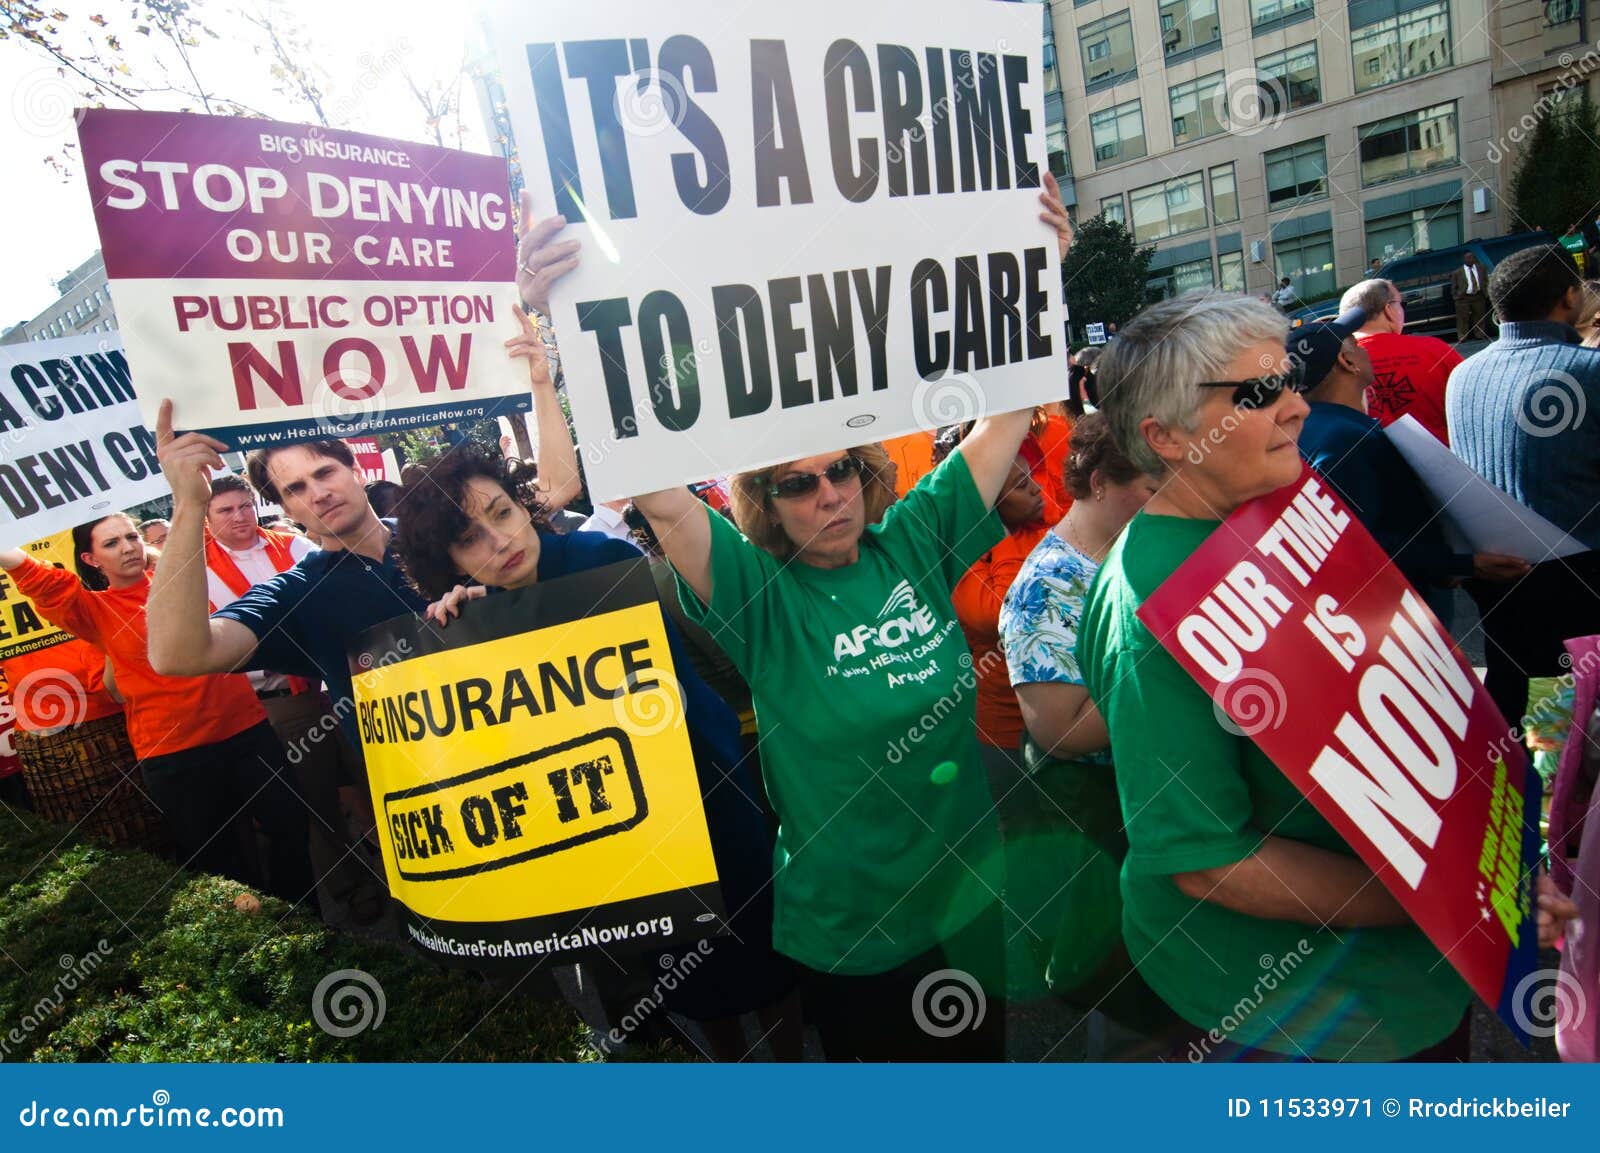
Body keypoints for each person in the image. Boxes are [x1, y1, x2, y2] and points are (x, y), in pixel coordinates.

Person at [622, 172, 1074, 1061]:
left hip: (966, 893)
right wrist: (566, 326)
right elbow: (665, 503)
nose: (827, 495)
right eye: (798, 483)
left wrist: (1042, 272)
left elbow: (1004, 415)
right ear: (766, 502)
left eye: (840, 472)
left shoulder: (912, 540)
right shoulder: (760, 597)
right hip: (854, 929)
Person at [1080, 291, 1477, 1061]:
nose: (1296, 405)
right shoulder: (1151, 609)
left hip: (1414, 978)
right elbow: (1204, 860)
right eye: (1258, 393)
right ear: (1165, 436)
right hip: (1293, 1019)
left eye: (1287, 378)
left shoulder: (1288, 498)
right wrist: (1428, 897)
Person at [395, 446, 801, 1061]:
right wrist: (459, 640)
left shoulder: (600, 559)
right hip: (623, 833)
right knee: (688, 976)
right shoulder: (471, 622)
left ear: (522, 503)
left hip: (706, 791)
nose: (499, 541)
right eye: (469, 540)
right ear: (445, 561)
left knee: (764, 958)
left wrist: (506, 621)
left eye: (503, 513)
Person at [147, 303, 581, 755]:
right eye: (295, 488)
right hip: (429, 798)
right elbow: (178, 654)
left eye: (324, 473)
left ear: (355, 470)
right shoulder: (294, 596)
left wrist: (539, 384)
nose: (317, 493)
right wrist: (189, 504)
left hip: (539, 743)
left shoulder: (441, 530)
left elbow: (558, 486)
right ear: (285, 509)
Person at [0, 516, 310, 901]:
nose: (128, 547)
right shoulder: (94, 610)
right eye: (111, 544)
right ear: (90, 559)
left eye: (131, 537)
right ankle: (256, 940)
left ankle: (302, 923)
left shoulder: (185, 580)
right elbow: (39, 578)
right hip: (175, 755)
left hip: (247, 731)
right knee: (221, 865)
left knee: (293, 828)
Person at [996, 413, 1162, 1036]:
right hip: (1104, 818)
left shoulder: (1137, 546)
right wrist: (1174, 672)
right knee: (1127, 1004)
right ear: (1098, 482)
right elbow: (1060, 732)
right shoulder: (1046, 589)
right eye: (1150, 486)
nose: (1163, 499)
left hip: (1146, 804)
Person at [203, 473, 382, 927]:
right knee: (318, 800)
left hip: (338, 684)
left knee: (373, 779)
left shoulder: (293, 545)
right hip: (284, 703)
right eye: (225, 511)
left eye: (244, 505)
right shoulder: (198, 571)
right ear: (206, 519)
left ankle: (401, 871)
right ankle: (351, 889)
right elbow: (223, 646)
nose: (240, 517)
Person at [1445, 243, 1600, 732]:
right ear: (1570, 296)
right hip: (1579, 578)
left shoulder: (1462, 374)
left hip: (1498, 578)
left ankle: (1515, 796)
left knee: (1516, 698)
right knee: (1575, 716)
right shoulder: (1588, 370)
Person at [1289, 307, 1530, 602]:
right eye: (1354, 342)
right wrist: (1461, 564)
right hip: (1398, 602)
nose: (1364, 350)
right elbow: (1360, 540)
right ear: (1347, 360)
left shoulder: (1306, 430)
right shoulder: (1348, 438)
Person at [1339, 277, 1462, 443]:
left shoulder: (1336, 366)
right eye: (1401, 305)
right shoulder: (1437, 350)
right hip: (1446, 460)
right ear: (1389, 310)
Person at [1449, 251, 1490, 342]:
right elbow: (1453, 287)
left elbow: (1486, 280)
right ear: (1464, 260)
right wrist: (1456, 297)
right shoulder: (1457, 272)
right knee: (1463, 318)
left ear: (1475, 258)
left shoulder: (1481, 268)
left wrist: (1485, 293)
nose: (1470, 259)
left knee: (1479, 316)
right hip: (1463, 298)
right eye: (1468, 258)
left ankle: (1479, 334)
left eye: (1472, 257)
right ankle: (1462, 336)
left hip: (1478, 295)